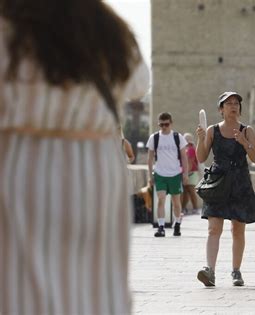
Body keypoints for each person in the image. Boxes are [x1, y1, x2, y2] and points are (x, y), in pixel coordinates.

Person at [0, 1, 149, 313]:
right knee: (96, 283)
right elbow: (138, 83)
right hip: (95, 166)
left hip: (25, 163)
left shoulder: (11, 28)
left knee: (22, 286)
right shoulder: (111, 31)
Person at [195, 91, 255, 287]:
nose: (233, 106)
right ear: (221, 109)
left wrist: (245, 143)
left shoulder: (247, 130)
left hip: (239, 182)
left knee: (237, 230)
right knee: (213, 228)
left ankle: (236, 270)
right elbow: (201, 158)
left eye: (236, 103)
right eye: (229, 103)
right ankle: (210, 271)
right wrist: (200, 139)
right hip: (218, 182)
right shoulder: (212, 130)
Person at [147, 112, 189, 237]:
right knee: (161, 199)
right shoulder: (154, 138)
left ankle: (177, 224)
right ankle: (161, 227)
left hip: (175, 173)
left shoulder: (178, 137)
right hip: (160, 173)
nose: (164, 127)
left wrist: (185, 174)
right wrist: (150, 176)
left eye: (166, 124)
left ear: (171, 123)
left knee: (176, 202)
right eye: (161, 125)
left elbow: (184, 157)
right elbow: (149, 159)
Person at [181, 132, 201, 214]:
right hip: (186, 172)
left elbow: (190, 162)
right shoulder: (185, 149)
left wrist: (186, 173)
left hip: (191, 172)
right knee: (185, 192)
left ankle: (195, 208)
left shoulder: (191, 149)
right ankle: (183, 208)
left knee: (191, 191)